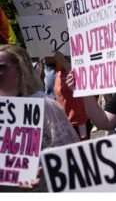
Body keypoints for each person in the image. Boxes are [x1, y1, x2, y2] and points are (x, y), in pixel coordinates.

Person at [0, 44, 79, 191]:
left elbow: (66, 152)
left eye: (1, 67)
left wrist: (44, 168)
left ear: (19, 69)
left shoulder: (45, 106)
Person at [53, 51, 90, 140]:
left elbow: (79, 78)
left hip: (79, 122)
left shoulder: (74, 69)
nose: (45, 61)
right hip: (65, 124)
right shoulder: (58, 73)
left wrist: (64, 62)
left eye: (49, 58)